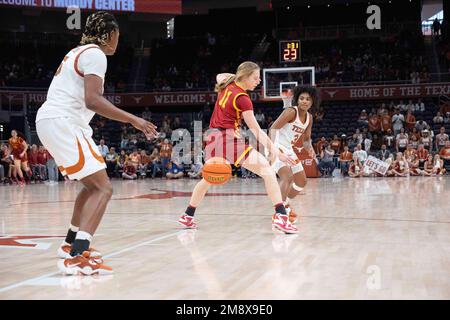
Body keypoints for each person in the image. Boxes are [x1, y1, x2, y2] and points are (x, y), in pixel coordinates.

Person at [35, 12, 158, 276]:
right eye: (117, 35)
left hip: (53, 120)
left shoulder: (78, 52)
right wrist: (134, 119)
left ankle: (70, 244)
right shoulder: (96, 54)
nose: (118, 40)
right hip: (63, 120)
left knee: (91, 186)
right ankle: (78, 257)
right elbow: (93, 100)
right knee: (103, 188)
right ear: (108, 35)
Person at [177, 62, 297, 234]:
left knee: (210, 177)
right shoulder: (243, 99)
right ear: (245, 76)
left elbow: (220, 75)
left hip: (212, 138)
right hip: (227, 139)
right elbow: (257, 131)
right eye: (255, 77)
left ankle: (188, 215)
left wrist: (235, 76)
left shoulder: (227, 83)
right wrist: (278, 152)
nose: (258, 81)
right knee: (267, 171)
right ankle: (281, 216)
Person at [269, 85, 318, 223]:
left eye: (308, 99)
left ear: (312, 101)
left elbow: (306, 140)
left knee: (302, 181)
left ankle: (286, 204)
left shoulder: (309, 118)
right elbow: (272, 128)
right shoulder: (291, 112)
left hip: (288, 149)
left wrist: (310, 148)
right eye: (301, 98)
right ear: (297, 99)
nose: (304, 101)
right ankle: (279, 214)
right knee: (288, 177)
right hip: (276, 145)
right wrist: (272, 152)